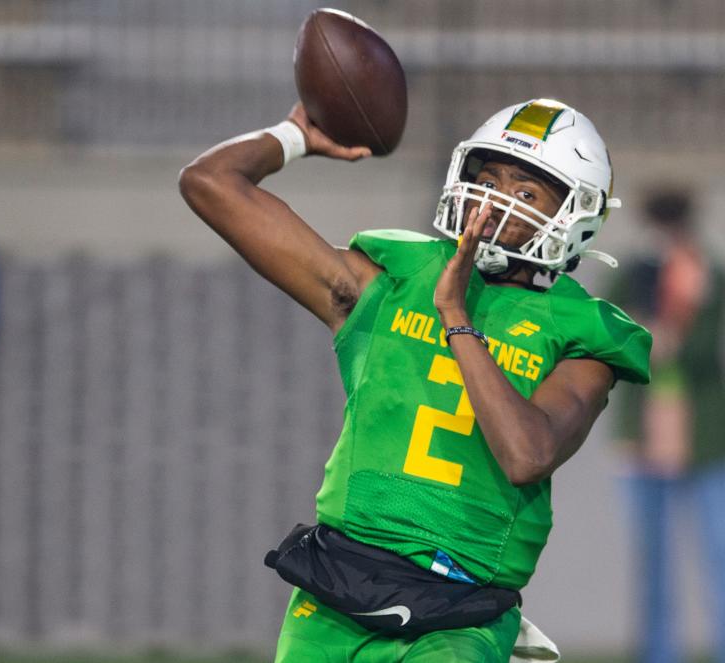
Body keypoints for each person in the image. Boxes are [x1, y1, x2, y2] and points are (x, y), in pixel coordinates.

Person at [179, 98, 652, 662]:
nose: (493, 200)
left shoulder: (582, 333)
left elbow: (527, 453)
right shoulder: (391, 280)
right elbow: (210, 183)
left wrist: (456, 316)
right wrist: (293, 136)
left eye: (525, 193)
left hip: (459, 613)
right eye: (488, 178)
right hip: (337, 587)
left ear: (576, 214)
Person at [609, 190, 725, 663]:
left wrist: (684, 313)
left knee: (718, 557)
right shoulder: (631, 274)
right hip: (645, 440)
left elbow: (695, 352)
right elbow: (617, 340)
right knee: (652, 567)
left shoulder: (709, 275)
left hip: (703, 441)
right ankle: (659, 655)